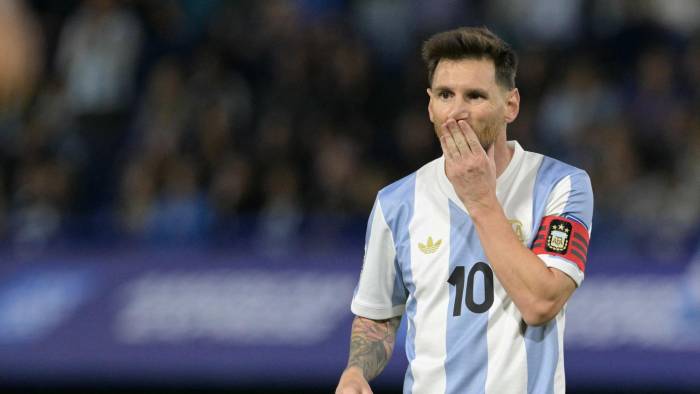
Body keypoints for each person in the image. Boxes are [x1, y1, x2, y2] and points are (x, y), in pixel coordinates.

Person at [335, 26, 593, 394]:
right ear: (429, 105)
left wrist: (480, 199)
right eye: (445, 95)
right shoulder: (396, 203)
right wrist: (356, 371)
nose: (456, 111)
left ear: (511, 105)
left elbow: (541, 303)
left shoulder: (561, 185)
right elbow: (377, 316)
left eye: (474, 96)